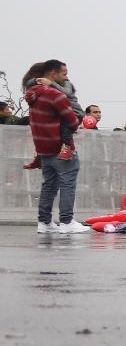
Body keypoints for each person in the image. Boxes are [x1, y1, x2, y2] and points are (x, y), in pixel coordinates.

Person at [26, 61, 82, 234]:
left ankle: (44, 222)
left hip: (43, 148)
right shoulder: (54, 94)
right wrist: (75, 124)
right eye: (63, 74)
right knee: (67, 184)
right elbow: (72, 120)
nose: (66, 78)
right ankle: (66, 222)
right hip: (61, 147)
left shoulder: (32, 95)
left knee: (48, 185)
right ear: (52, 74)